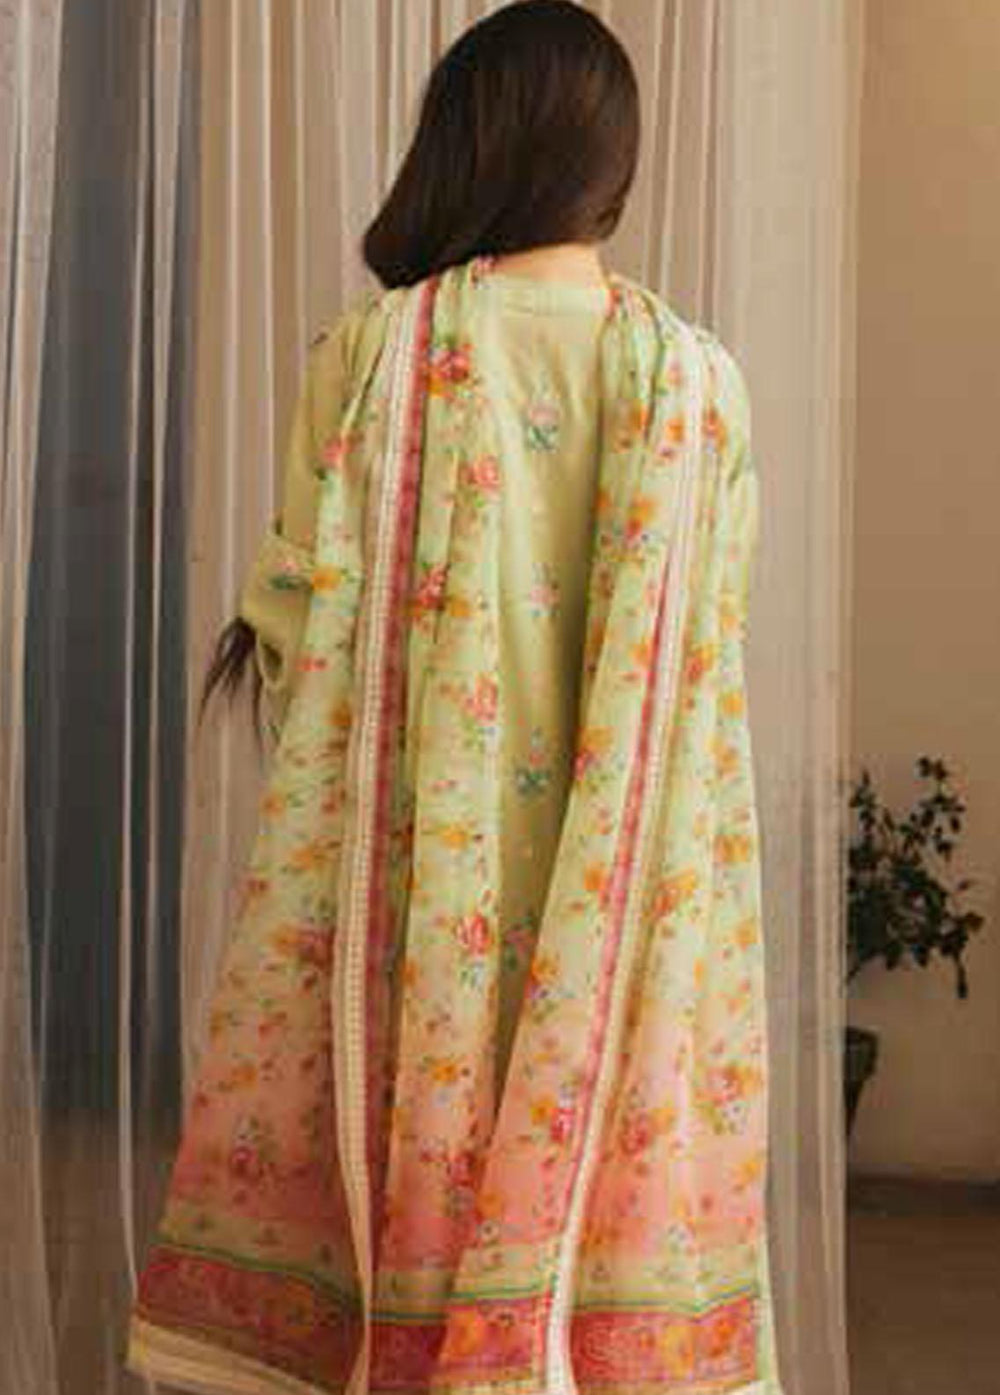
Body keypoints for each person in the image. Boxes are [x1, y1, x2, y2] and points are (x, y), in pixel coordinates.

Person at [126, 4, 782, 1394]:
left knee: (397, 1216)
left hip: (423, 903)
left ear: (464, 143)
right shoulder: (703, 388)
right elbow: (706, 668)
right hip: (627, 924)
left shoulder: (375, 358)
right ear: (612, 160)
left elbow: (298, 628)